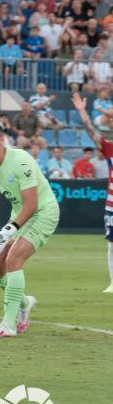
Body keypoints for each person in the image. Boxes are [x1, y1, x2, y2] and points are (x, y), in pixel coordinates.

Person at [0, 119, 59, 337]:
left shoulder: (20, 159)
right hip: (19, 215)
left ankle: (8, 325)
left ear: (2, 140)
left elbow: (32, 203)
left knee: (14, 260)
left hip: (43, 212)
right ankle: (24, 303)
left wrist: (9, 230)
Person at [72, 93, 113, 293]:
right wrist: (81, 110)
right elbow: (90, 131)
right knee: (111, 244)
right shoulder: (109, 148)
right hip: (112, 205)